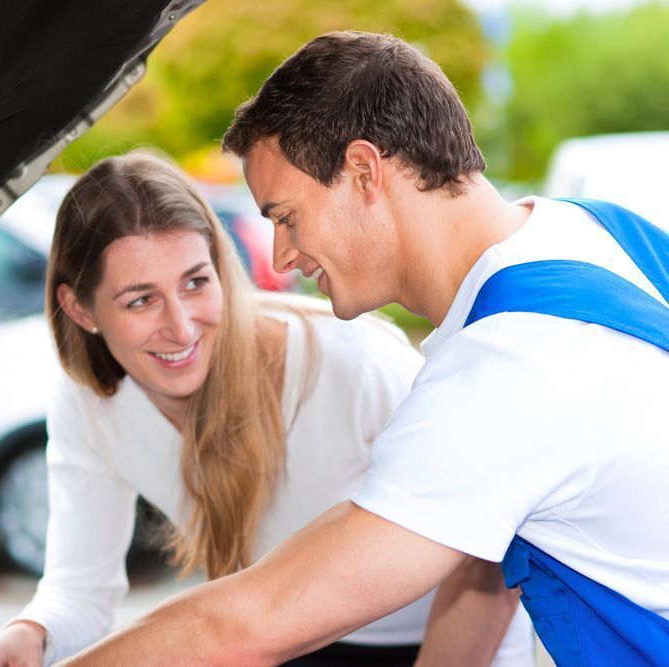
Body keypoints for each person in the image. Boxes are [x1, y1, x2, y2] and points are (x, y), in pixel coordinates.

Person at [56, 32, 669, 666]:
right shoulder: (598, 230)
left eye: (287, 216)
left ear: (363, 171)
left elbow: (245, 625)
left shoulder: (505, 371)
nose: (281, 257)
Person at [0, 150, 534, 666]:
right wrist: (29, 632)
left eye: (194, 283)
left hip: (446, 645)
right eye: (140, 299)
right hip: (279, 641)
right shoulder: (90, 406)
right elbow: (80, 592)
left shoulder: (348, 362)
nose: (181, 327)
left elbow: (490, 554)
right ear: (79, 309)